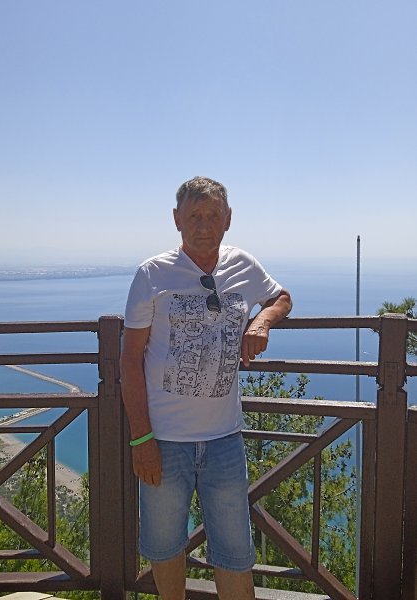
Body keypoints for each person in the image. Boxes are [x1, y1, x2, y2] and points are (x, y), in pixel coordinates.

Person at [121, 176, 292, 600]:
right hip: (163, 442)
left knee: (235, 554)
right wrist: (141, 439)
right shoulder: (152, 274)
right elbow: (129, 359)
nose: (204, 225)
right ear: (176, 219)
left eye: (213, 215)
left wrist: (261, 321)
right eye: (194, 215)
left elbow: (281, 297)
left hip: (224, 440)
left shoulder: (243, 265)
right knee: (165, 550)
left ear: (228, 219)